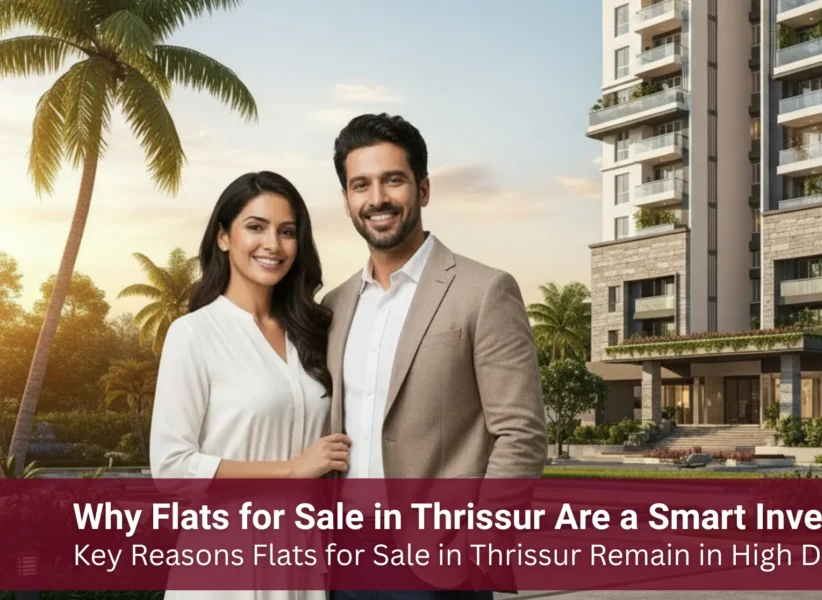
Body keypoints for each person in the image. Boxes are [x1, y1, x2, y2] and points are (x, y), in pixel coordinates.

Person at [322, 114, 548, 599]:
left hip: (441, 564)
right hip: (344, 560)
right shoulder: (334, 307)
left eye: (393, 180)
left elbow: (521, 433)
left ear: (423, 189)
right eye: (360, 184)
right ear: (346, 201)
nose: (377, 198)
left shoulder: (484, 290)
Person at [150, 171, 352, 600]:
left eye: (287, 231)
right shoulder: (194, 334)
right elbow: (170, 466)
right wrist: (292, 471)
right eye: (255, 227)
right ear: (223, 236)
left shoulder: (313, 333)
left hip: (304, 553)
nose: (273, 245)